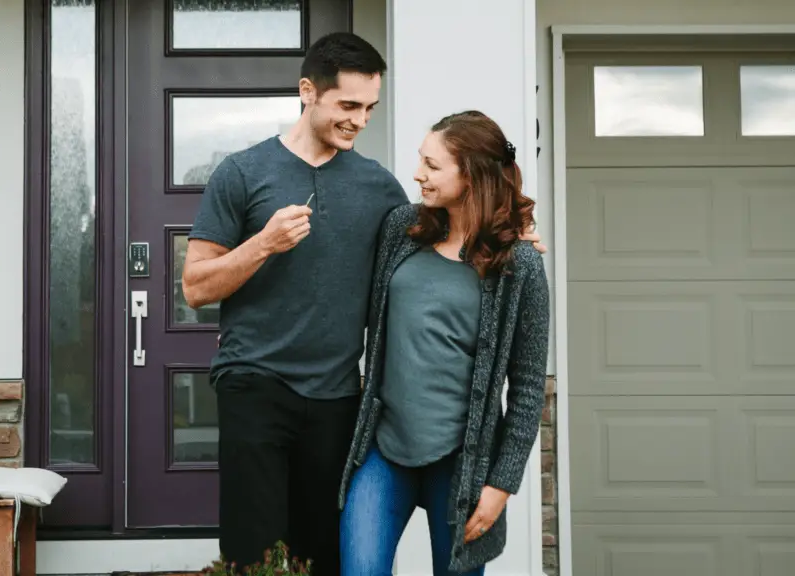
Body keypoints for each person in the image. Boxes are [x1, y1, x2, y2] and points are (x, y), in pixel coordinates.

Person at [182, 33, 544, 575]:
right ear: (308, 92)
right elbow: (194, 287)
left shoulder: (383, 193)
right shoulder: (242, 172)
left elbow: (448, 232)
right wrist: (264, 244)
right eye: (348, 105)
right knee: (253, 556)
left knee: (326, 555)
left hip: (338, 401)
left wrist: (517, 235)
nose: (360, 119)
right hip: (254, 384)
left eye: (370, 107)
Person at [337, 110, 551, 576]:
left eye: (432, 166)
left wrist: (501, 485)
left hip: (463, 461)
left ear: (471, 175)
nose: (418, 174)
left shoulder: (520, 266)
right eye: (421, 160)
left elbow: (529, 387)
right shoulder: (402, 230)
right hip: (383, 447)